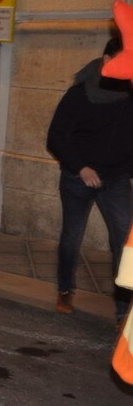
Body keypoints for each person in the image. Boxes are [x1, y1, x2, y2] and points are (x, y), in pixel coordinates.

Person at [47, 36, 133, 322]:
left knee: (124, 240)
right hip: (77, 178)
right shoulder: (80, 94)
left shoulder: (130, 95)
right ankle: (65, 289)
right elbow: (56, 137)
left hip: (116, 178)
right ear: (108, 61)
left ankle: (123, 308)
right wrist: (81, 167)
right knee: (72, 236)